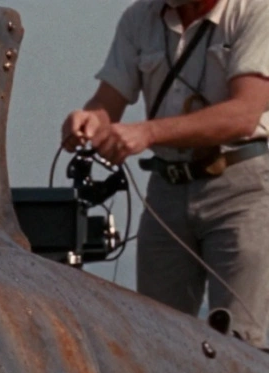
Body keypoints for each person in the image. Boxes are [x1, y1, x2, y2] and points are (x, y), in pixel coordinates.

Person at [62, 0, 269, 346]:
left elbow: (243, 114)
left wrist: (148, 133)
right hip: (167, 190)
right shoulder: (139, 19)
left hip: (240, 189)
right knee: (158, 340)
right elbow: (107, 103)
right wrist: (87, 122)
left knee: (242, 343)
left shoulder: (254, 10)